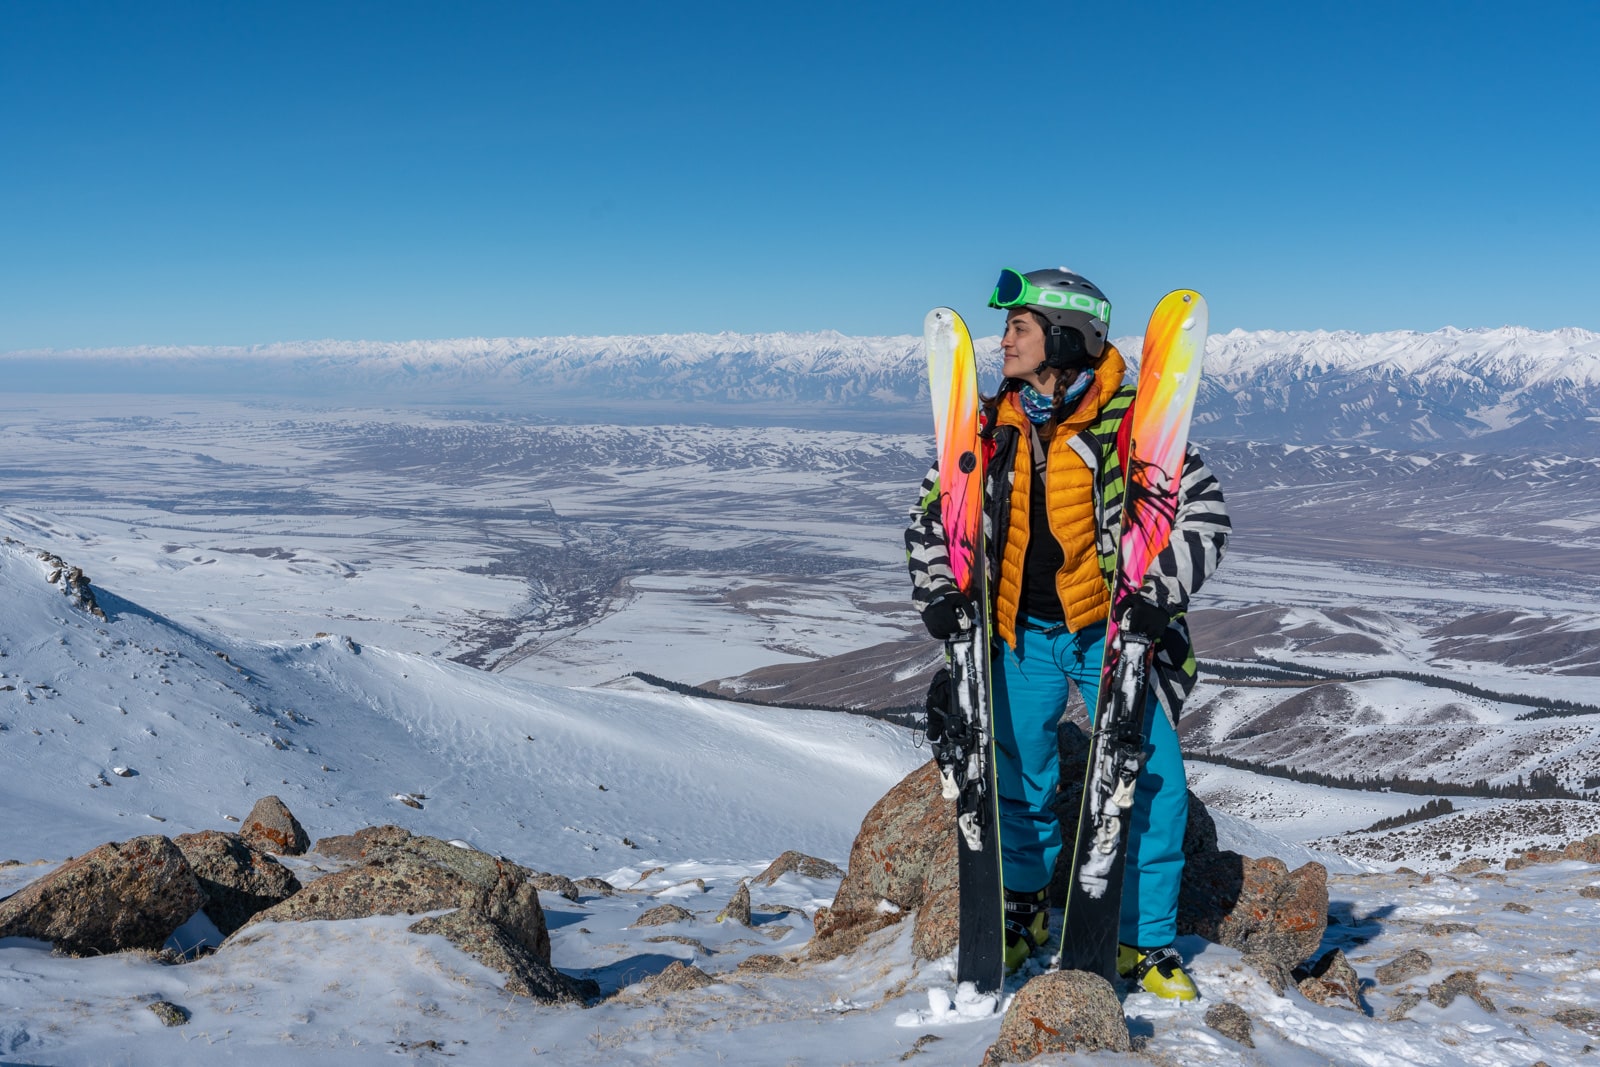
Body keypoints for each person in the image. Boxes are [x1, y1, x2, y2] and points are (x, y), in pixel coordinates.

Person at [905, 267, 1230, 999]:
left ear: (1063, 337)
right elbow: (933, 518)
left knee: (1151, 783)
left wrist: (1156, 598)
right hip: (1019, 631)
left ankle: (1142, 944)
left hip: (1112, 637)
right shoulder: (991, 428)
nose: (1003, 341)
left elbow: (1205, 520)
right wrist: (939, 593)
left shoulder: (1134, 426)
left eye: (1018, 327)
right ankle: (1022, 910)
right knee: (1015, 775)